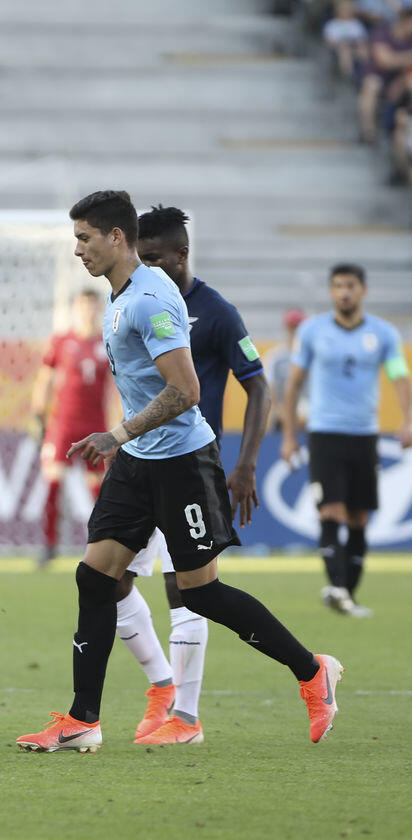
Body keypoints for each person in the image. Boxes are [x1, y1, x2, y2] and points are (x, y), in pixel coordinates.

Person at [16, 190, 342, 754]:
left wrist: (116, 434)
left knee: (199, 594)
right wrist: (126, 443)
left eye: (85, 239)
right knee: (95, 578)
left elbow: (187, 390)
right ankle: (83, 720)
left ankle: (312, 671)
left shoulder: (149, 299)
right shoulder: (121, 293)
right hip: (138, 461)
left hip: (182, 464)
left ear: (116, 237)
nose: (78, 250)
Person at [111, 205, 272, 746]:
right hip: (140, 465)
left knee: (187, 589)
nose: (147, 265)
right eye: (142, 256)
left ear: (183, 254)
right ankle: (162, 686)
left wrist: (246, 464)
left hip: (190, 466)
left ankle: (186, 716)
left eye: (156, 256)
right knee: (109, 580)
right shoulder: (133, 299)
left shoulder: (216, 313)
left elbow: (259, 386)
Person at [280, 263, 412, 617]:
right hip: (324, 432)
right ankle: (337, 588)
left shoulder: (383, 334)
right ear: (331, 291)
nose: (344, 292)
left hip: (364, 434)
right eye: (338, 286)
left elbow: (399, 375)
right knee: (330, 510)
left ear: (363, 290)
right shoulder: (312, 331)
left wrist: (408, 419)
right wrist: (289, 435)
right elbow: (293, 385)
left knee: (358, 517)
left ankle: (346, 595)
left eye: (350, 286)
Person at [29, 288, 110, 570]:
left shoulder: (107, 342)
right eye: (83, 306)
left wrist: (117, 426)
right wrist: (38, 416)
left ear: (99, 309)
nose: (88, 311)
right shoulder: (61, 341)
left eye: (92, 306)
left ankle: (104, 545)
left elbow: (116, 387)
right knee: (53, 483)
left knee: (99, 489)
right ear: (76, 309)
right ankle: (49, 544)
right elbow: (45, 379)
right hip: (63, 424)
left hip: (95, 425)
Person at [264, 307, 308, 433]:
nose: (296, 331)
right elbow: (271, 396)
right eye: (292, 327)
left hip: (311, 415)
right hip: (282, 417)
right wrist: (287, 416)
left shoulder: (315, 357)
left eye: (298, 326)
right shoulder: (275, 358)